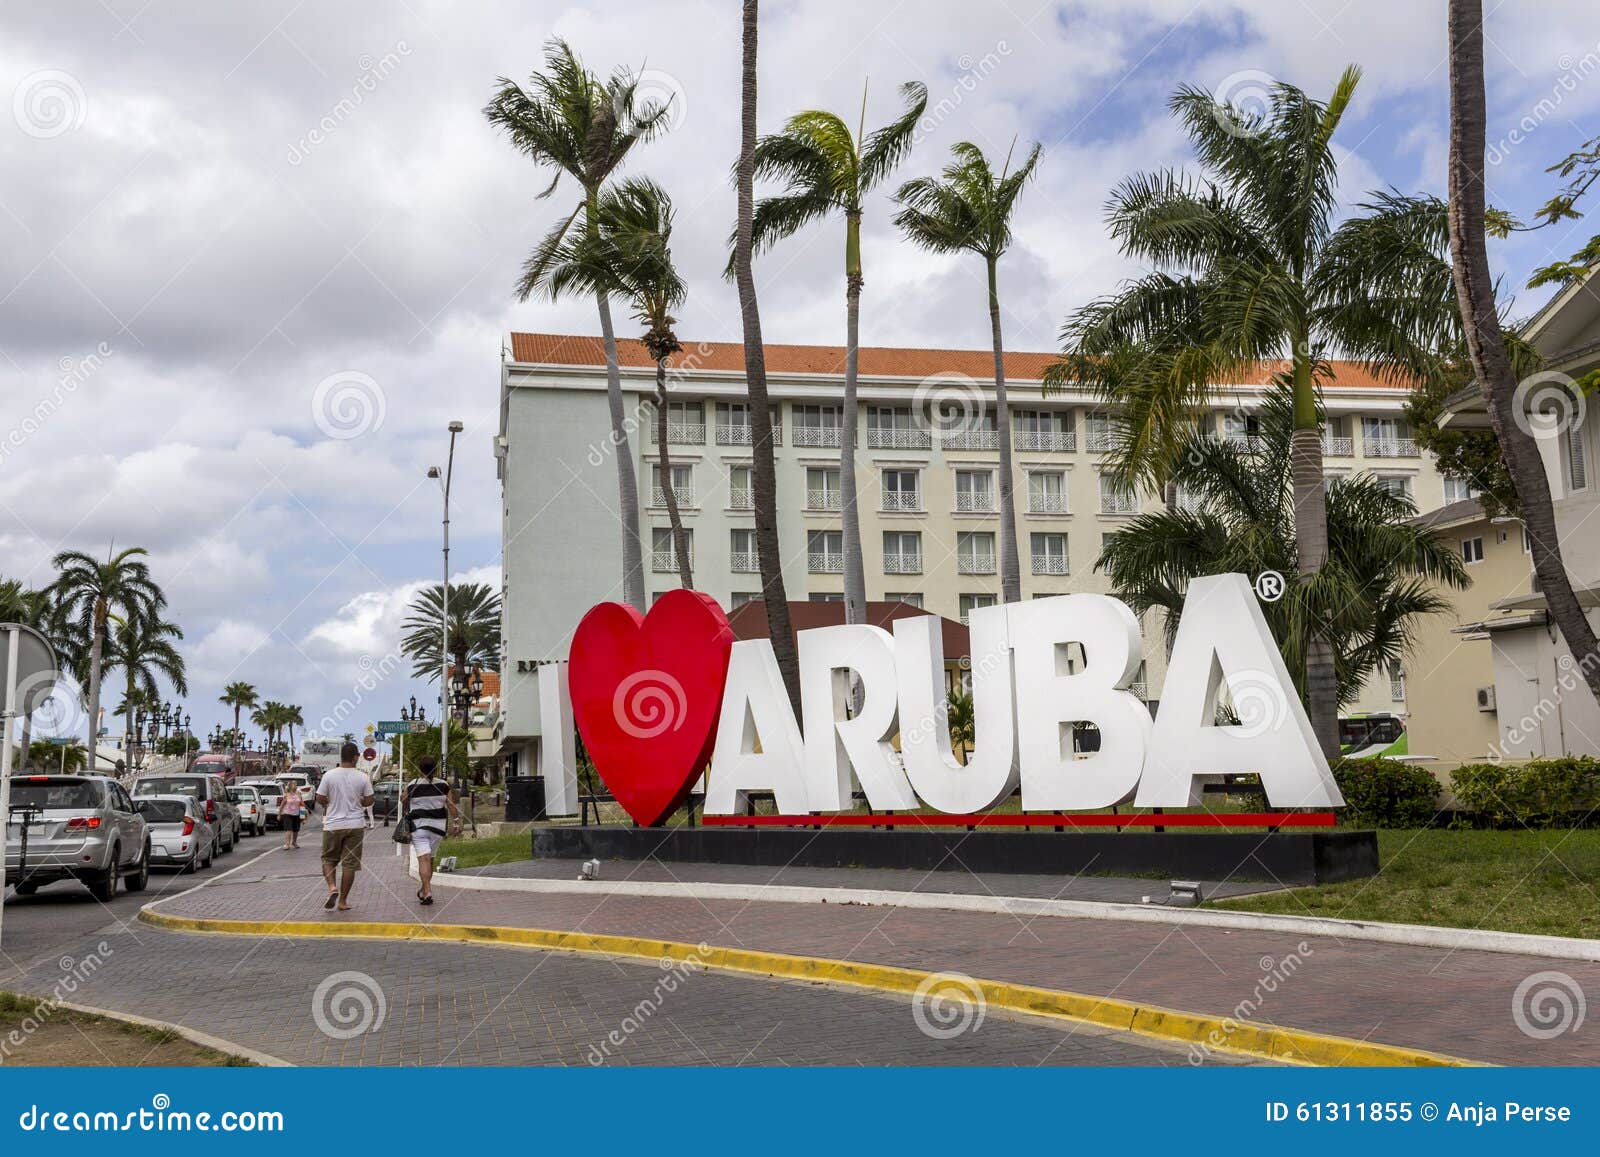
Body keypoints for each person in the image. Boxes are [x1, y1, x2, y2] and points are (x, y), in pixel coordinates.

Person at [315, 742, 375, 912]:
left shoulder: (329, 775)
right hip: (355, 825)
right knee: (350, 864)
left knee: (328, 859)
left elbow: (319, 797)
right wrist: (360, 802)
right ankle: (342, 901)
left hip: (333, 824)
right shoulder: (362, 776)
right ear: (356, 757)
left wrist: (329, 802)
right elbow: (370, 799)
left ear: (341, 757)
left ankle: (332, 887)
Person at [402, 755, 460, 906]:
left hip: (419, 828)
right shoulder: (443, 785)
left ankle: (427, 891)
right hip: (438, 828)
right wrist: (456, 821)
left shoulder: (412, 785)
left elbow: (403, 800)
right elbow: (451, 805)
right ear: (436, 769)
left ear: (420, 769)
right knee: (430, 859)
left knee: (423, 859)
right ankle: (424, 890)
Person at [279, 781, 303, 849]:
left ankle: (294, 842)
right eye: (294, 785)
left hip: (297, 814)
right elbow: (282, 805)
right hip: (287, 814)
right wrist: (279, 814)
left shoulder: (298, 793)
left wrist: (303, 815)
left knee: (296, 830)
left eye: (296, 784)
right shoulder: (286, 794)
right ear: (290, 786)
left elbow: (302, 804)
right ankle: (287, 844)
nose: (295, 786)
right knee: (288, 829)